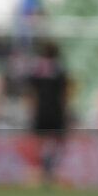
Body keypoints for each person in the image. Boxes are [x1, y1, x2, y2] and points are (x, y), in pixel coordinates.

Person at [25, 40, 70, 184]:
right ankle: (52, 169)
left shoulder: (37, 69)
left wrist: (32, 109)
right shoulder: (60, 69)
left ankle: (42, 170)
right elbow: (65, 94)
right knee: (57, 142)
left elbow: (31, 93)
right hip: (56, 111)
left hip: (41, 111)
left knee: (40, 142)